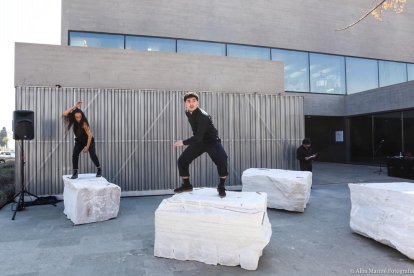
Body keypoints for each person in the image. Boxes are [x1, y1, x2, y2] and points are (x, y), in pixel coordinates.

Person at [174, 92, 228, 198]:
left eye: (194, 101)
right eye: (188, 101)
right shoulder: (188, 112)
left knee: (223, 160)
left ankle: (221, 186)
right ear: (185, 103)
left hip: (211, 141)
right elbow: (198, 137)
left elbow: (198, 136)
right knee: (182, 161)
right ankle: (186, 185)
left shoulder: (203, 116)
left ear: (197, 102)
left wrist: (183, 142)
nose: (191, 103)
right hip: (199, 142)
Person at [63, 101, 101, 179]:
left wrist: (87, 147)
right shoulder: (73, 120)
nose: (78, 119)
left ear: (82, 116)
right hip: (79, 141)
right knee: (75, 154)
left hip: (89, 140)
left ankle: (99, 168)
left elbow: (90, 136)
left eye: (80, 117)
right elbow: (65, 113)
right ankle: (75, 172)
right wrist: (74, 106)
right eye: (77, 117)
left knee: (93, 155)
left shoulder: (84, 123)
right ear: (74, 117)